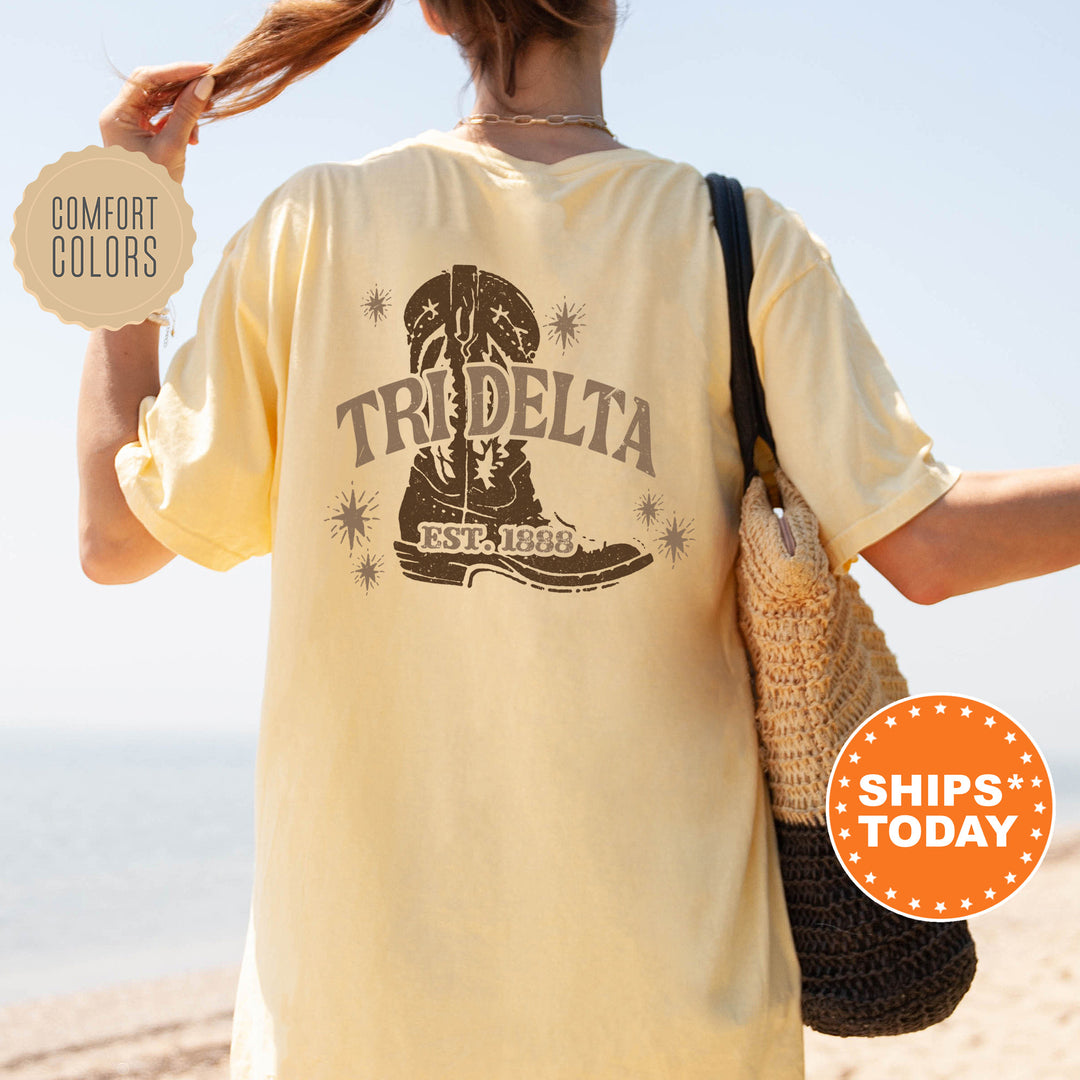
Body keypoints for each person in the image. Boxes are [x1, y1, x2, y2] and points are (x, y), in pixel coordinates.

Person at [78, 2, 1080, 1078]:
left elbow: (115, 539)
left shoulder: (312, 226)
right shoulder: (735, 240)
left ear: (429, 12)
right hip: (673, 1008)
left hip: (356, 1019)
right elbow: (929, 549)